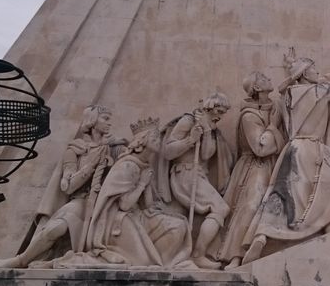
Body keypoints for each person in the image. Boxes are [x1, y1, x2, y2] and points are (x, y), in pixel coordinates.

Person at [239, 47, 330, 265]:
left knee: (280, 194)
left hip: (292, 148)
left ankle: (261, 235)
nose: (317, 71)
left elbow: (323, 77)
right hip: (312, 147)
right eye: (313, 69)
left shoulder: (287, 95)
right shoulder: (320, 91)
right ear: (304, 73)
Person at [0, 105, 125, 268]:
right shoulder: (76, 149)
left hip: (106, 204)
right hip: (82, 201)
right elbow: (69, 187)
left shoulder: (115, 148)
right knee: (55, 229)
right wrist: (92, 165)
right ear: (93, 121)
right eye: (105, 118)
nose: (109, 123)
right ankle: (22, 259)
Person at [82, 117, 190, 267]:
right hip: (117, 222)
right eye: (154, 138)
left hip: (138, 215)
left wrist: (156, 202)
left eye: (158, 138)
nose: (158, 141)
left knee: (179, 225)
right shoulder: (127, 166)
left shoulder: (144, 166)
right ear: (141, 142)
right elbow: (125, 205)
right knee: (141, 261)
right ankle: (154, 262)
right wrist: (142, 184)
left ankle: (164, 264)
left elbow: (148, 205)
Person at [215, 72, 285, 268]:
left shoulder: (275, 107)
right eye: (263, 78)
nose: (269, 78)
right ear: (257, 88)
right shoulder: (249, 116)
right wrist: (273, 125)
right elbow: (260, 148)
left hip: (275, 163)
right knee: (250, 206)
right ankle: (235, 256)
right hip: (255, 166)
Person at [159, 93, 234, 269]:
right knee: (220, 208)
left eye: (223, 112)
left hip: (198, 174)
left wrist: (206, 131)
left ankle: (198, 253)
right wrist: (190, 140)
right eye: (218, 111)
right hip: (185, 173)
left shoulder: (210, 129)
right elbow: (168, 152)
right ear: (208, 107)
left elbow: (206, 154)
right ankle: (198, 254)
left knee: (220, 209)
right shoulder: (188, 120)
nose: (220, 116)